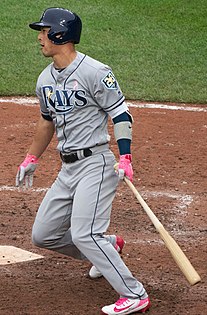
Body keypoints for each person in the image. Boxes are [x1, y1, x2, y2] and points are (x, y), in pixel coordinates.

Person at [16, 7, 151, 315]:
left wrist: (126, 156)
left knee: (86, 234)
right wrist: (31, 157)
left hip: (96, 164)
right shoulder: (45, 80)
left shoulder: (95, 72)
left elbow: (120, 113)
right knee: (44, 234)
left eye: (44, 31)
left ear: (60, 34)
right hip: (68, 168)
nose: (39, 38)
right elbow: (46, 121)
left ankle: (134, 294)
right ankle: (110, 249)